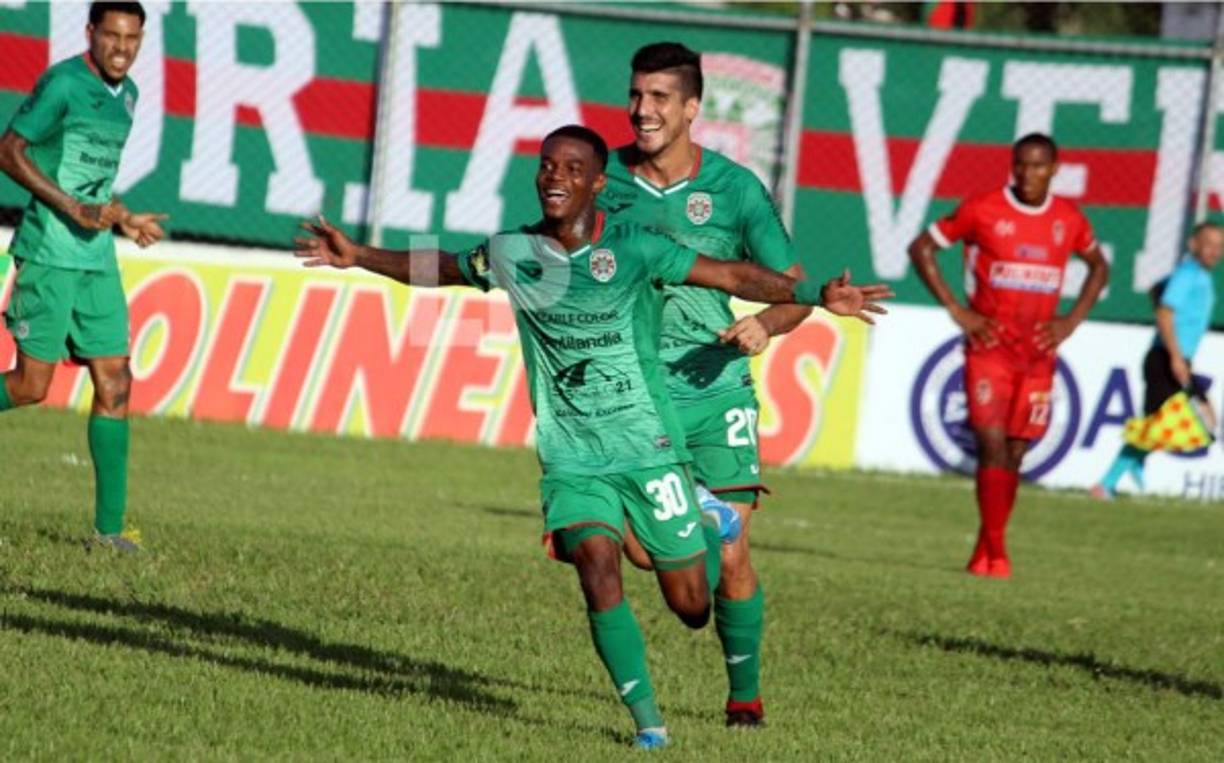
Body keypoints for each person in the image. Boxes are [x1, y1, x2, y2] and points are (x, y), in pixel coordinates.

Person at [295, 125, 890, 748]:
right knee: (597, 568)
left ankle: (707, 520)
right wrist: (358, 255)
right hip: (572, 457)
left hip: (648, 447)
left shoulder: (636, 247)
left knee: (692, 607)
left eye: (573, 169)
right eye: (548, 165)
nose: (556, 176)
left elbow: (731, 277)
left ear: (599, 184)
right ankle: (649, 727)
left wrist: (812, 295)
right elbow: (442, 266)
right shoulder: (515, 252)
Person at [597, 41, 815, 728]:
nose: (643, 109)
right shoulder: (602, 178)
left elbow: (794, 292)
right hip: (631, 392)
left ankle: (744, 698)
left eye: (659, 97)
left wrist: (764, 325)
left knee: (730, 551)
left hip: (716, 387)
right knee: (645, 553)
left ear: (692, 107)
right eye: (636, 95)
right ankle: (699, 510)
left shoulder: (735, 189)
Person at [0, 1, 167, 551]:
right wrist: (71, 208)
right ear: (91, 32)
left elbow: (90, 182)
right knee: (31, 387)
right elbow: (9, 152)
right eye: (112, 35)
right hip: (50, 250)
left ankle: (109, 532)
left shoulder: (129, 96)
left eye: (132, 38)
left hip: (96, 256)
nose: (122, 48)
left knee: (115, 382)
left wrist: (122, 218)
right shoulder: (65, 84)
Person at [908, 133, 1109, 578]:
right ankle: (998, 554)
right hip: (990, 350)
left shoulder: (1068, 219)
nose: (1027, 174)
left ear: (1054, 169)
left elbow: (1099, 266)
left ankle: (985, 550)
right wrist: (957, 309)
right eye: (1020, 164)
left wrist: (1070, 322)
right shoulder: (983, 208)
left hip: (1037, 355)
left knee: (1016, 453)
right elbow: (921, 247)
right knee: (991, 445)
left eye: (1037, 166)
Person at [1091, 222, 1222, 498]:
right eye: (1208, 244)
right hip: (1166, 359)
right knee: (1176, 423)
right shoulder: (1188, 274)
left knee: (1180, 423)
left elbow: (1155, 290)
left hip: (1176, 358)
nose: (1214, 251)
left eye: (1219, 246)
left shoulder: (1197, 276)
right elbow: (1164, 312)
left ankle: (1133, 463)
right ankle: (1107, 483)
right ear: (1193, 244)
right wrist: (1175, 356)